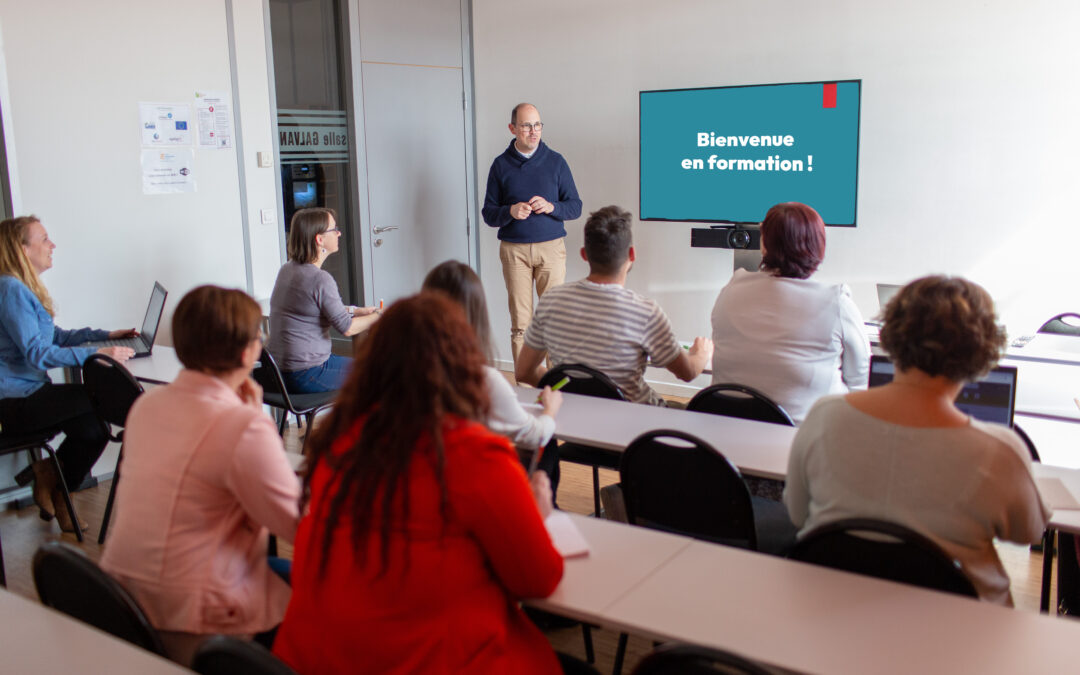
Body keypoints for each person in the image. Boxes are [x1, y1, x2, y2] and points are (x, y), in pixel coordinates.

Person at [273, 293, 564, 674]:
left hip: (320, 659)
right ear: (463, 365)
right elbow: (538, 580)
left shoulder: (337, 445)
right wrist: (537, 516)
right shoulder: (478, 457)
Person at [783, 276, 1050, 605]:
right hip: (963, 629)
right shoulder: (999, 451)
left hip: (834, 608)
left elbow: (797, 513)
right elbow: (1030, 533)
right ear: (982, 353)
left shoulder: (824, 416)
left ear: (891, 334)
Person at [100, 285, 301, 666]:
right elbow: (299, 527)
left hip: (124, 601)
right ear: (248, 352)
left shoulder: (147, 406)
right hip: (194, 617)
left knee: (276, 570)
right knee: (331, 599)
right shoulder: (241, 427)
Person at [0, 215, 135, 533]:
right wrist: (96, 353)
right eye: (44, 239)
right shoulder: (10, 289)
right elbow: (38, 352)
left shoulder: (20, 287)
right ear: (21, 248)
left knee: (94, 429)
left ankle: (52, 482)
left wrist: (106, 334)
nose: (53, 245)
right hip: (14, 402)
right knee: (97, 403)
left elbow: (55, 336)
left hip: (29, 394)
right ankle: (51, 481)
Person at [515, 205, 713, 406]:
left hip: (577, 416)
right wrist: (701, 354)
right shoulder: (645, 313)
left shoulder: (551, 300)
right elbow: (687, 373)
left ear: (584, 254)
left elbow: (523, 371)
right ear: (632, 254)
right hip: (636, 425)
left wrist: (568, 389)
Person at [710, 202, 869, 424]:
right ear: (819, 245)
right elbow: (859, 382)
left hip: (727, 432)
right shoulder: (837, 302)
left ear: (764, 244)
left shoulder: (731, 290)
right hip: (804, 442)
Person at [421, 260, 563, 490]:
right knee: (541, 447)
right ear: (478, 313)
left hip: (425, 488)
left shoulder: (402, 374)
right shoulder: (483, 380)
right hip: (470, 492)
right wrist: (550, 409)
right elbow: (534, 435)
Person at [482, 102, 582, 366]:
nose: (533, 131)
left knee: (554, 323)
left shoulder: (556, 162)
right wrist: (510, 212)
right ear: (512, 128)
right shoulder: (500, 165)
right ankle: (526, 388)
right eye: (526, 125)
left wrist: (552, 207)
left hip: (551, 249)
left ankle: (555, 386)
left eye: (537, 125)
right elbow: (488, 214)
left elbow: (575, 206)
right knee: (521, 324)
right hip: (514, 251)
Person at [268, 207, 378, 393]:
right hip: (306, 373)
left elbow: (316, 306)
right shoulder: (320, 279)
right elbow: (347, 328)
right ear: (320, 239)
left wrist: (355, 311)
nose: (339, 233)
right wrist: (380, 315)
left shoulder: (288, 269)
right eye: (334, 229)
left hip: (276, 373)